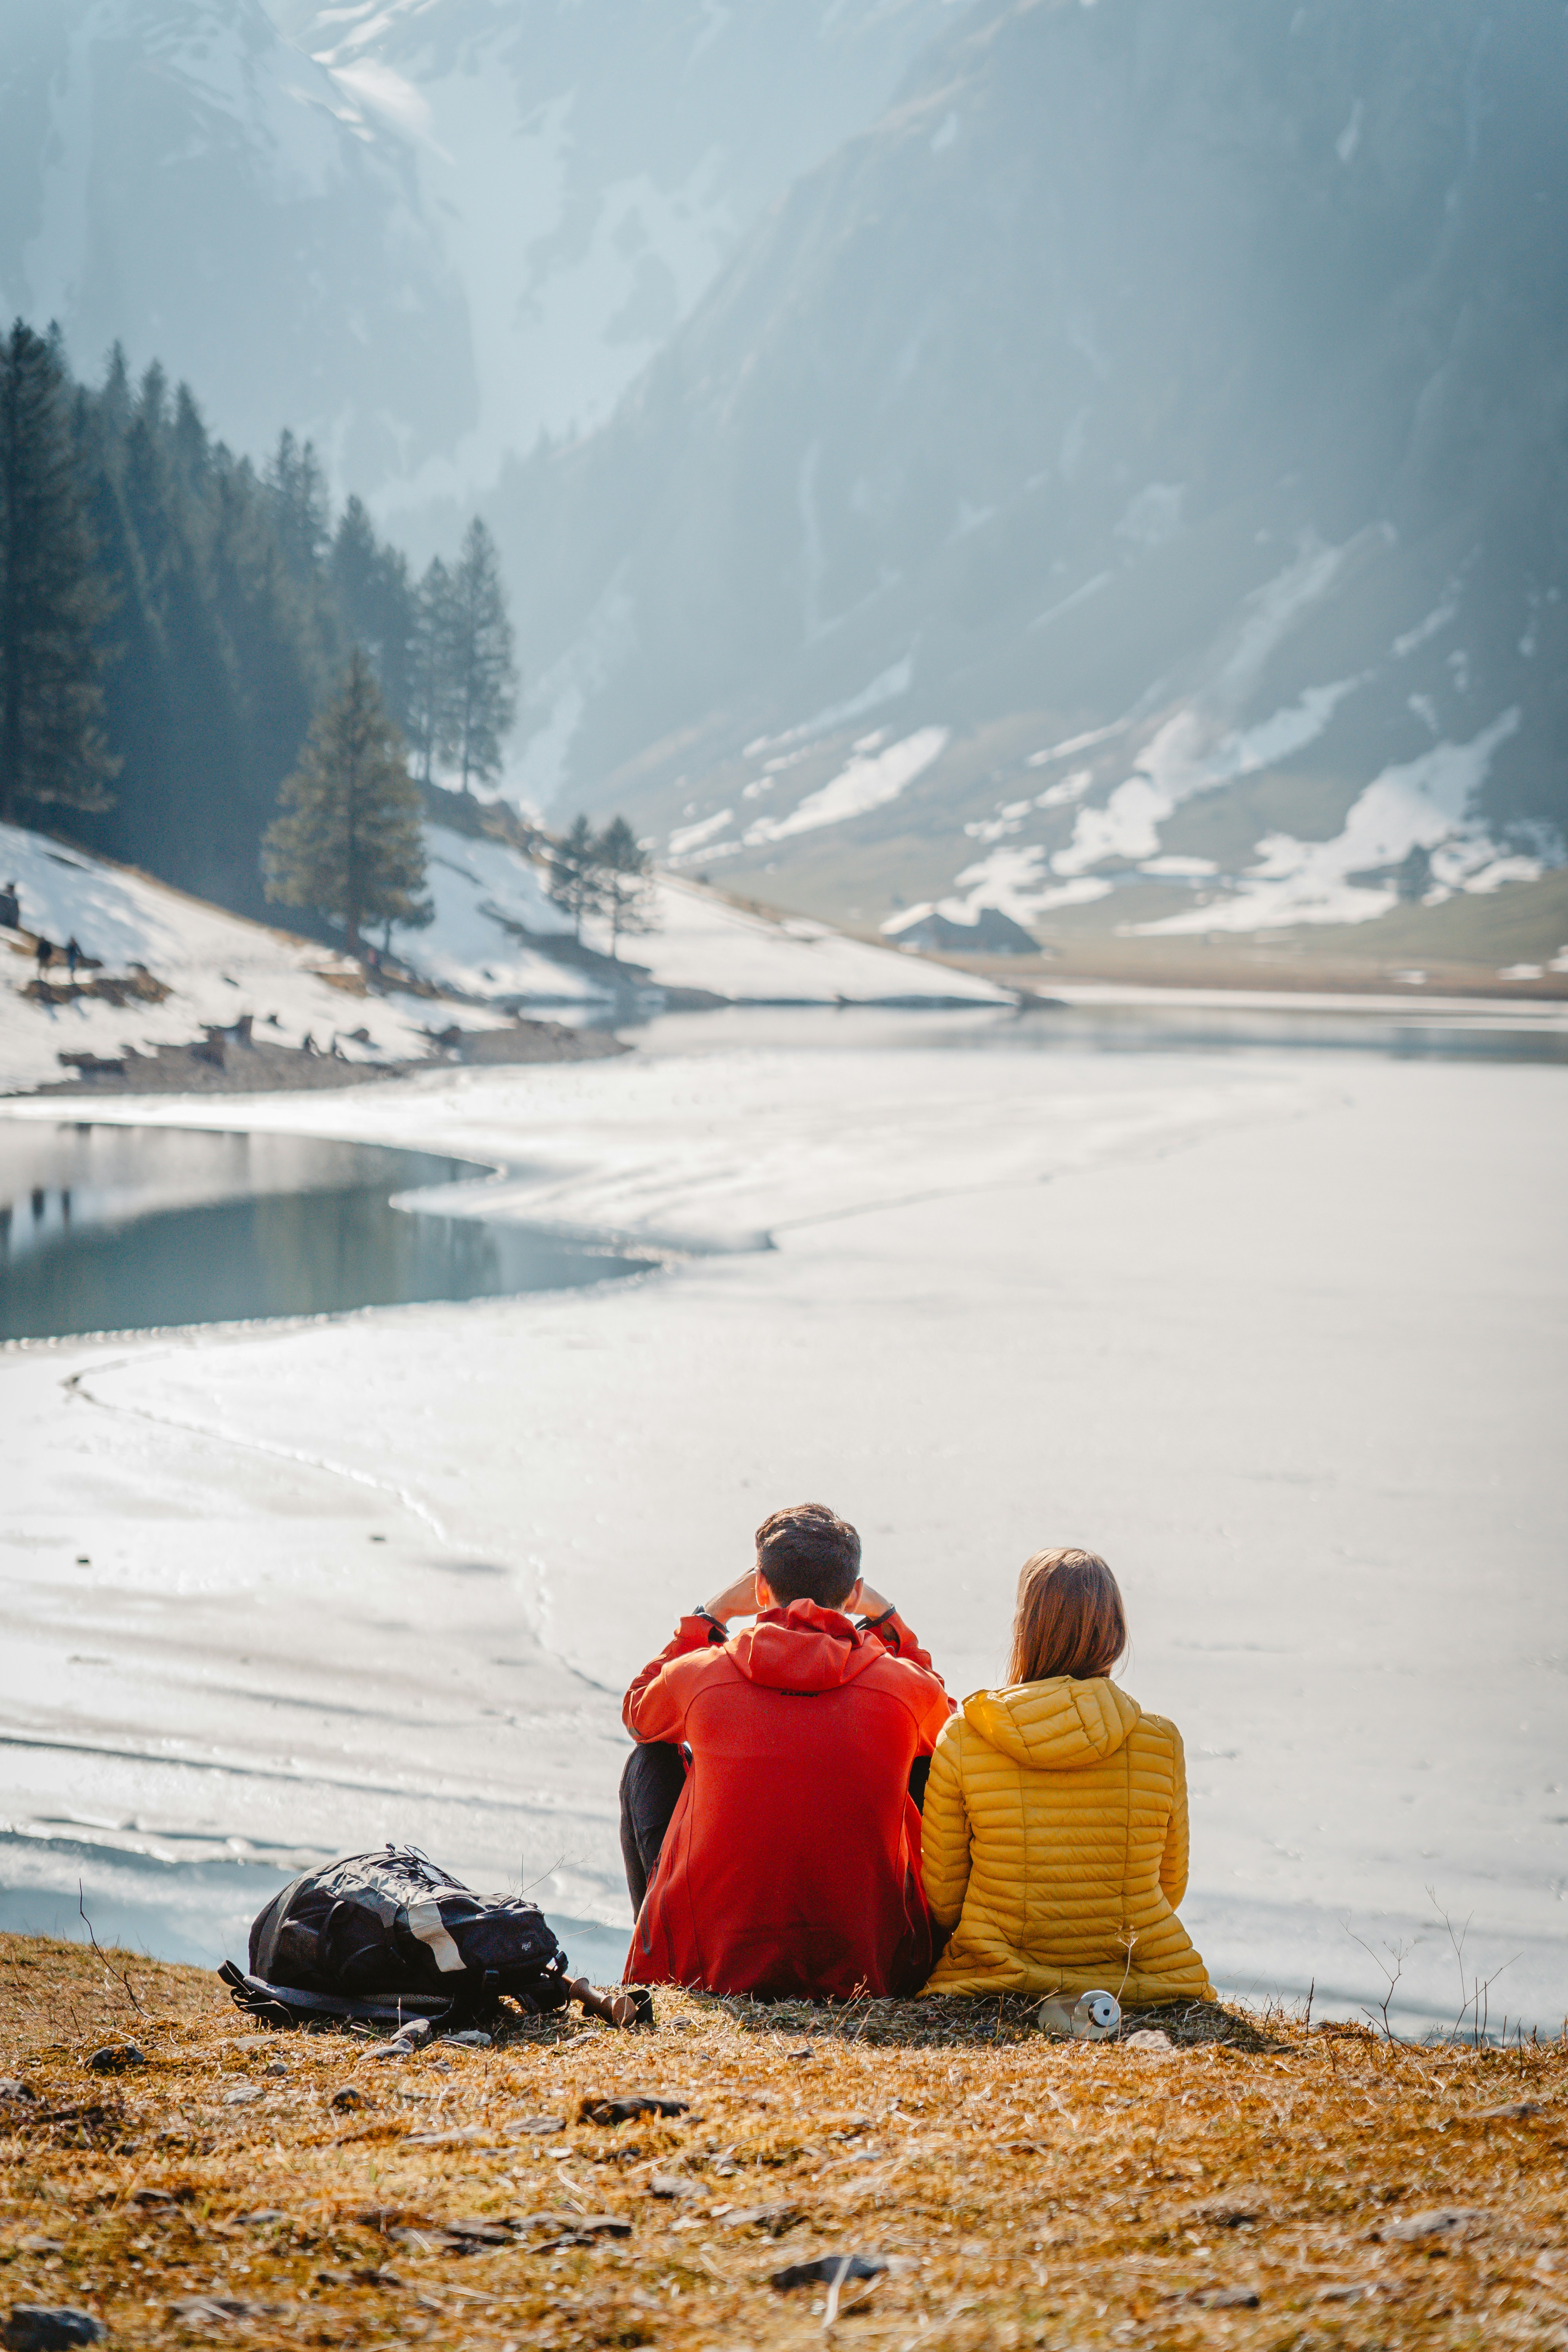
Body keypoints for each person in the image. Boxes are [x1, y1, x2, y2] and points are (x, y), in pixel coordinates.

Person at [620, 1502, 952, 2000]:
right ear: (854, 1594)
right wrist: (888, 1622)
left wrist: (711, 1616)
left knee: (648, 1758)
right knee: (926, 1755)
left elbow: (637, 1713)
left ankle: (661, 1948)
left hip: (707, 1965)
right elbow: (951, 1728)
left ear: (760, 1588)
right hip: (869, 1970)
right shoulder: (905, 1687)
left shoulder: (700, 1675)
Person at [920, 1547, 1214, 2005]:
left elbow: (944, 1899)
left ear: (1025, 1630)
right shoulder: (1160, 1741)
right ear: (1115, 1633)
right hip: (1142, 1978)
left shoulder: (965, 1737)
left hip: (999, 1973)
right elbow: (1169, 1885)